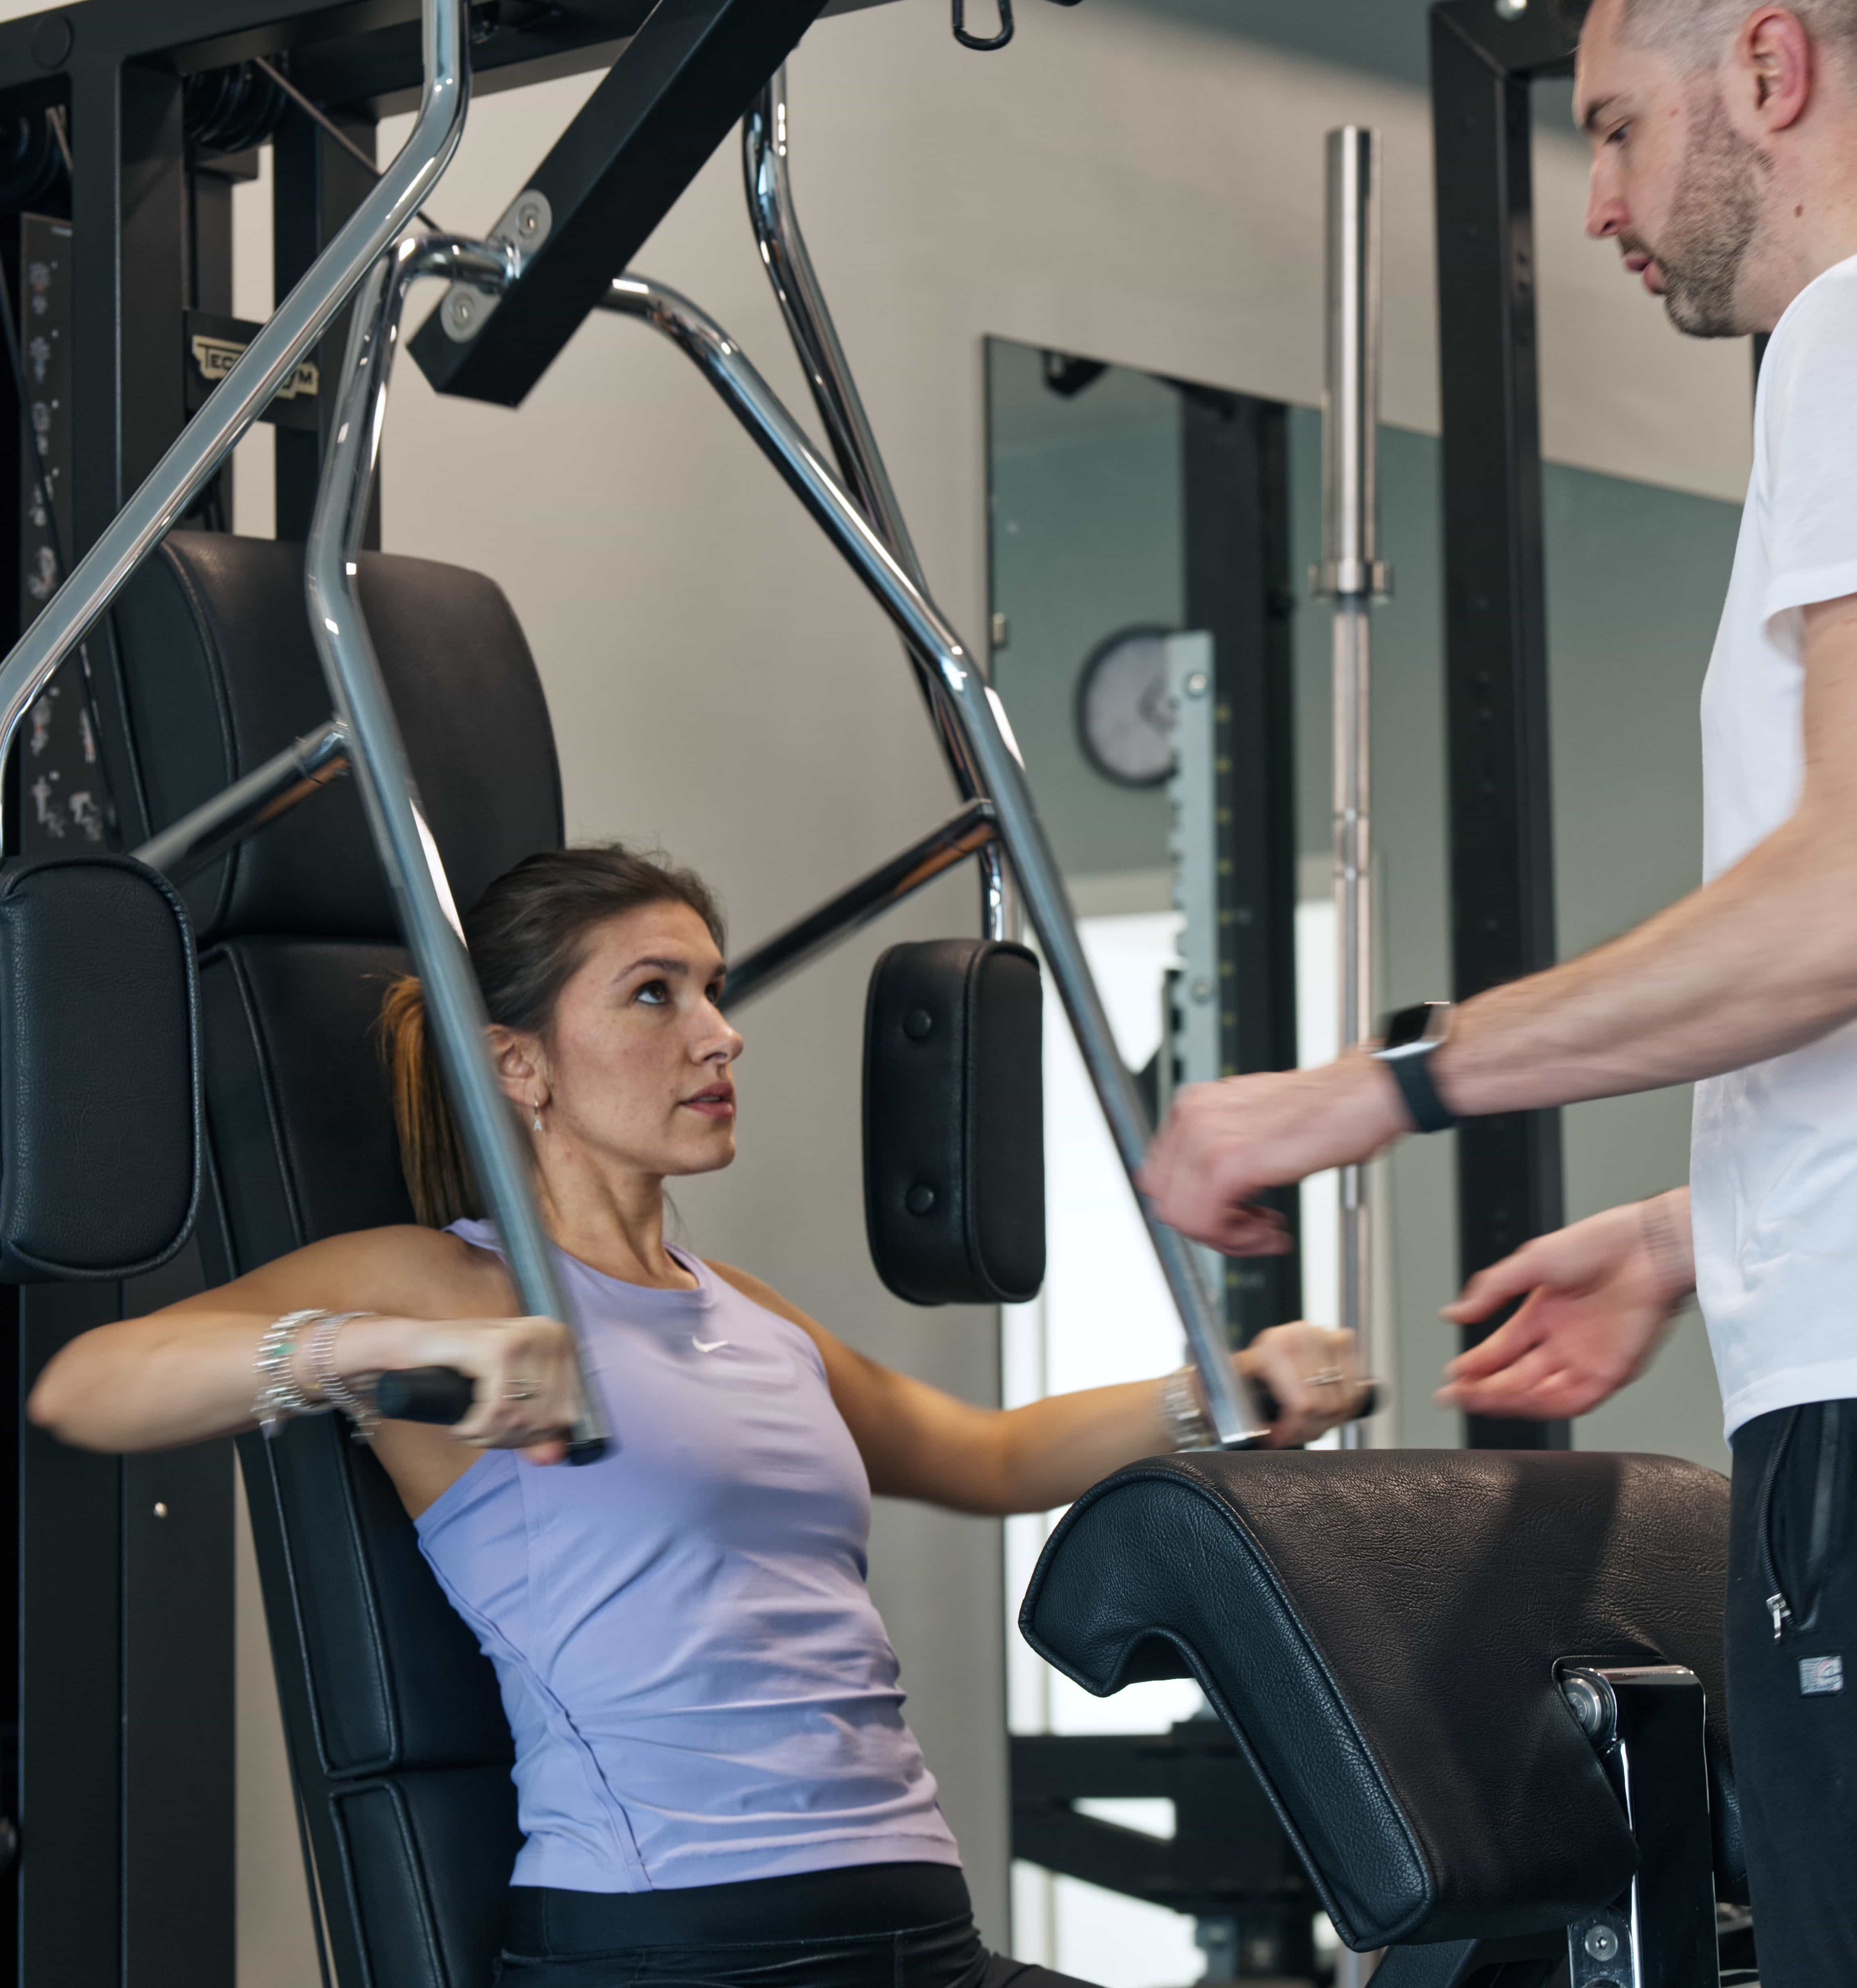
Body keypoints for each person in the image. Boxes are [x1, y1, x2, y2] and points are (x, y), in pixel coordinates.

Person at [1139, 0, 1857, 1986]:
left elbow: (1838, 902)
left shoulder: (1845, 337)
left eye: (1616, 128)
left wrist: (1366, 1091)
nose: (1603, 203)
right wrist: (1693, 1230)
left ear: (1770, 67)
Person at [30, 841, 1366, 1988]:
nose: (720, 1033)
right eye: (653, 994)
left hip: (916, 1928)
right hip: (675, 1942)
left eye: (714, 991)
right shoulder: (450, 1285)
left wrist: (1224, 1392)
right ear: (521, 1067)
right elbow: (87, 1385)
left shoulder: (749, 1314)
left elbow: (989, 1454)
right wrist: (373, 1353)